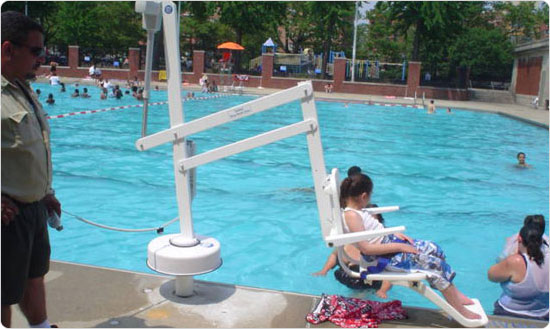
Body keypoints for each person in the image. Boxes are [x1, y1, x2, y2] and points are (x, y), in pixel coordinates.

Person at [340, 173, 481, 319]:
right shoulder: (352, 216)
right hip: (384, 258)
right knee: (436, 266)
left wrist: (394, 235)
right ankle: (460, 311)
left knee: (434, 248)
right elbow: (366, 248)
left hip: (390, 245)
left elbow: (374, 233)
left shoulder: (358, 211)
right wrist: (399, 247)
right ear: (364, 196)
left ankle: (455, 294)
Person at [1, 11, 61, 328]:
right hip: (6, 216)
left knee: (34, 277)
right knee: (2, 294)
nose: (41, 59)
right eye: (36, 51)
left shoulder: (22, 87)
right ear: (8, 49)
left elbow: (34, 147)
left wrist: (46, 193)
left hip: (33, 208)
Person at [488, 220, 549, 320]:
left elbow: (491, 276)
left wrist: (510, 258)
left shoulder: (515, 261)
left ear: (519, 239)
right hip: (543, 315)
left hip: (509, 313)